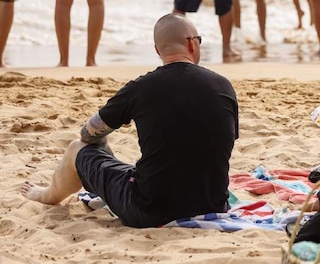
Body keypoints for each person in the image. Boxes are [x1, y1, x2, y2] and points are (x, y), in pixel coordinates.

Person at [21, 13, 239, 228]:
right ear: (192, 44)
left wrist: (102, 142)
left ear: (157, 50)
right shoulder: (223, 86)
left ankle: (46, 195)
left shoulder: (140, 88)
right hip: (213, 205)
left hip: (150, 210)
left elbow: (87, 133)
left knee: (77, 148)